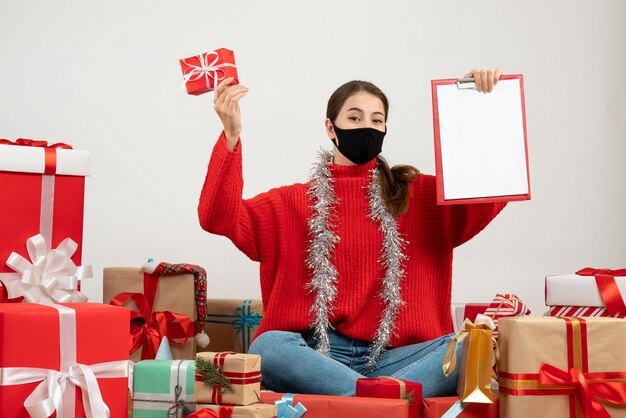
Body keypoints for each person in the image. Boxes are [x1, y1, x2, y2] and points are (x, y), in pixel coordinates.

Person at [198, 68, 506, 397]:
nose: (367, 128)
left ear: (386, 128)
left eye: (376, 120)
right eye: (355, 118)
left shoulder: (419, 196)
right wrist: (231, 133)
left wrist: (480, 106)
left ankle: (367, 401)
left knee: (469, 347)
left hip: (397, 358)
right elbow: (217, 216)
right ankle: (384, 402)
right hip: (315, 356)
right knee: (269, 347)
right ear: (331, 128)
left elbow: (490, 191)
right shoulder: (288, 204)